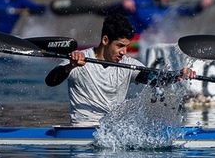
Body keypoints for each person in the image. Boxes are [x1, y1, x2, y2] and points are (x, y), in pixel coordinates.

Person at [45, 13, 194, 126]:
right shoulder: (78, 60)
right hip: (83, 133)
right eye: (120, 46)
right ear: (105, 40)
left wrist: (177, 75)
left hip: (112, 134)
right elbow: (50, 81)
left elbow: (154, 80)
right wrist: (70, 66)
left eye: (127, 47)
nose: (124, 52)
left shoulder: (128, 64)